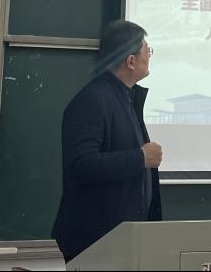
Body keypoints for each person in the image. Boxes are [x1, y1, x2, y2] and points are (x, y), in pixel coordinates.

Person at [52, 20, 163, 263]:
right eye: (147, 51)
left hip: (123, 238)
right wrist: (140, 157)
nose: (149, 57)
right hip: (97, 240)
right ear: (131, 61)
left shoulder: (125, 98)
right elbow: (81, 165)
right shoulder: (93, 100)